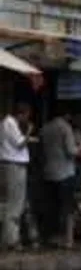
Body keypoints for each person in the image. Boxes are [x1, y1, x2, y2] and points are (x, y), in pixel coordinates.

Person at [39, 108, 81, 249]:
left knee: (53, 207)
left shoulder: (44, 128)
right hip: (65, 173)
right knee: (68, 207)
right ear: (67, 114)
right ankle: (68, 240)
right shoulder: (66, 128)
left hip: (48, 173)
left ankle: (51, 237)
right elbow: (71, 151)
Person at [0, 101, 33, 252]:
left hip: (14, 164)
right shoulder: (10, 123)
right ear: (22, 114)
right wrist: (29, 132)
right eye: (27, 116)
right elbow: (20, 143)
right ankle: (11, 240)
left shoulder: (9, 123)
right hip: (14, 164)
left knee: (16, 202)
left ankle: (11, 237)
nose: (27, 119)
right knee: (15, 203)